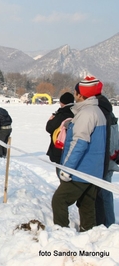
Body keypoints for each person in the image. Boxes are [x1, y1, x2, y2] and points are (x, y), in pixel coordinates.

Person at [51, 76, 107, 232]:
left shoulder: (87, 113)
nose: (75, 95)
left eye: (76, 92)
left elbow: (79, 144)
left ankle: (61, 234)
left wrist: (67, 169)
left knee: (59, 200)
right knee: (86, 204)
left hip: (81, 170)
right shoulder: (97, 111)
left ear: (81, 94)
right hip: (94, 170)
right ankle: (88, 234)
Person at [95, 92, 118, 227]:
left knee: (103, 194)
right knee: (105, 193)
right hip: (110, 158)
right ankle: (108, 222)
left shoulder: (103, 116)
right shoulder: (111, 115)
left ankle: (108, 224)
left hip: (105, 160)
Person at [45, 92, 75, 177]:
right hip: (74, 145)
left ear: (62, 102)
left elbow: (49, 128)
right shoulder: (78, 112)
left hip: (60, 145)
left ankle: (64, 187)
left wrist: (50, 120)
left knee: (60, 168)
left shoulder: (62, 113)